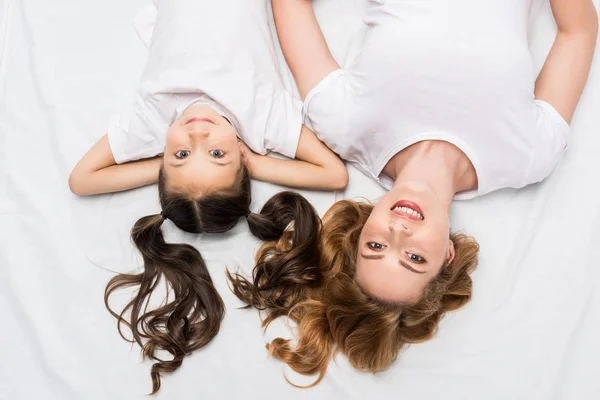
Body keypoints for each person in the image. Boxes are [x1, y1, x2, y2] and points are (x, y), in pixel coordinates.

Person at [230, 0, 598, 386]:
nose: (398, 234)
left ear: (361, 232)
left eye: (375, 247)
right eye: (414, 257)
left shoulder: (343, 125)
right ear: (448, 256)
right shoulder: (528, 156)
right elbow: (578, 31)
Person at [68, 0, 347, 393]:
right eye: (218, 155)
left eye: (181, 155)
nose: (197, 135)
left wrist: (162, 162)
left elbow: (81, 179)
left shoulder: (154, 120)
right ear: (241, 160)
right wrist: (257, 162)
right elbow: (334, 172)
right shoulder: (261, 117)